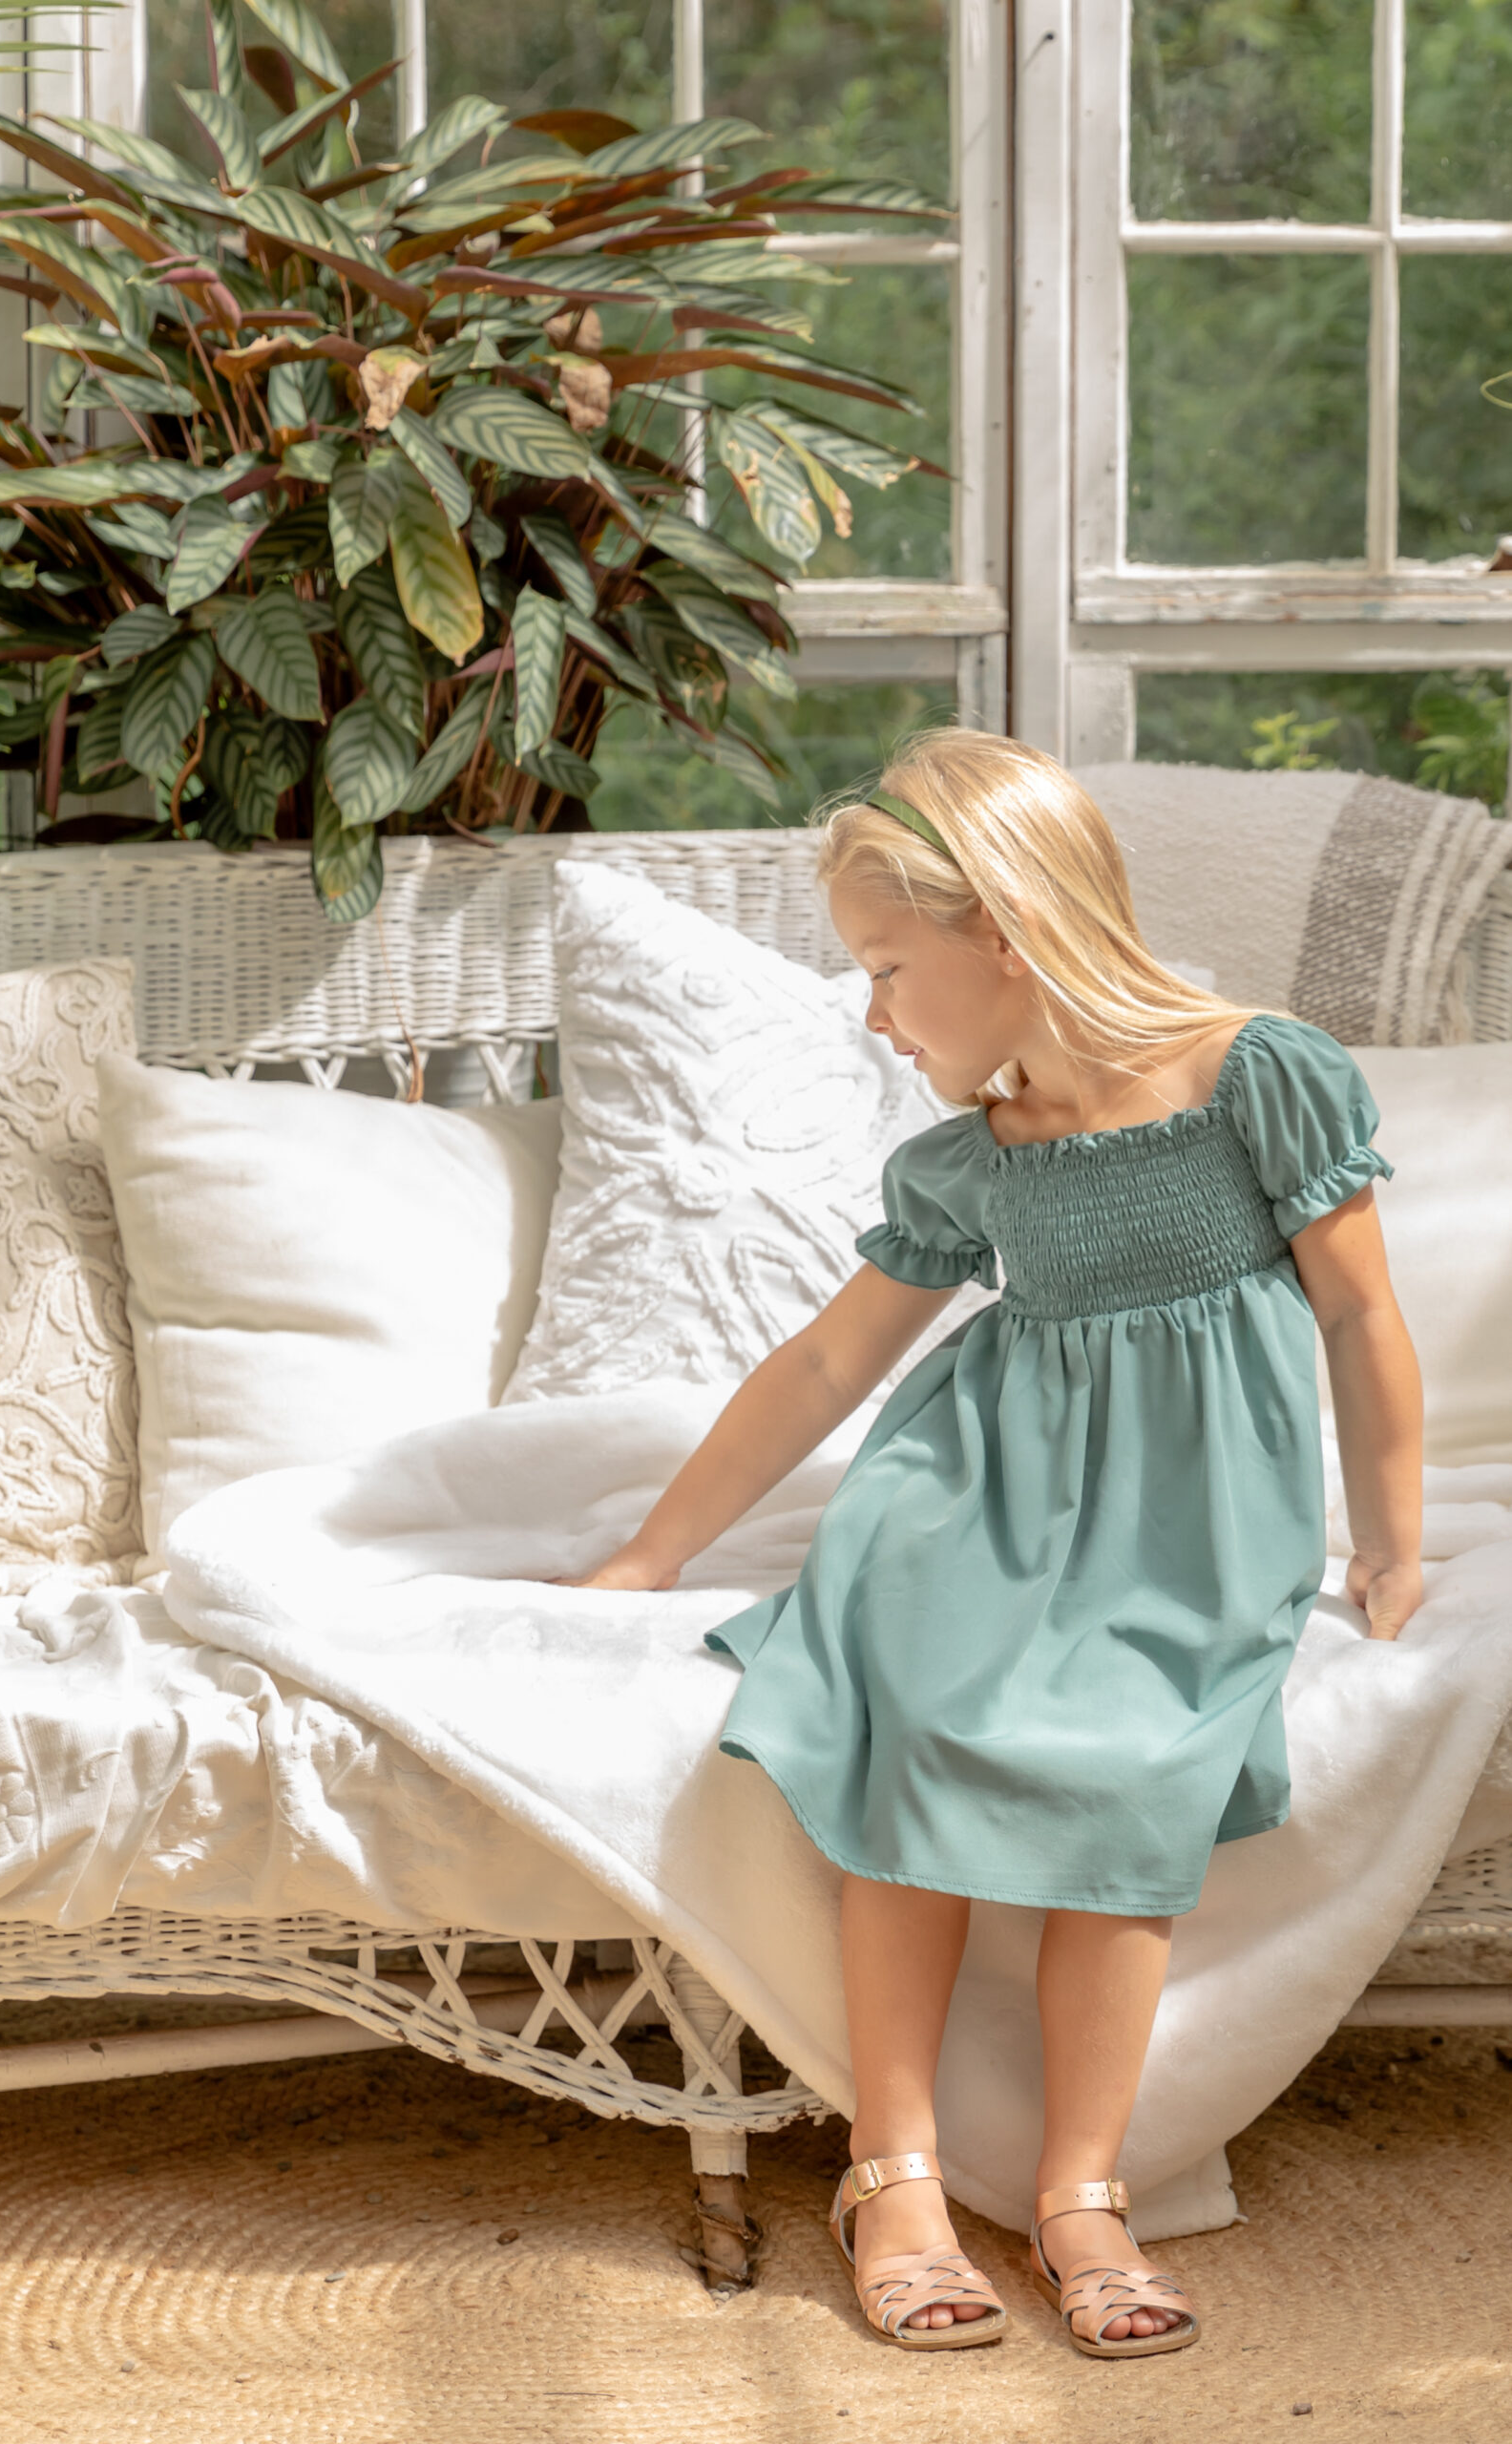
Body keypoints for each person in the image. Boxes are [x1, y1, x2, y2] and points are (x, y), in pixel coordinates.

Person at [575, 731, 1423, 2359]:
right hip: (977, 1490)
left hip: (1192, 1525)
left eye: (888, 968)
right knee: (914, 1709)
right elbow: (830, 1363)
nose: (873, 1015)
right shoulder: (971, 1161)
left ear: (1009, 932)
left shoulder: (1263, 1075)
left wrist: (1388, 1540)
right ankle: (887, 2171)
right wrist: (653, 1551)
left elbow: (1363, 1310)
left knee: (1126, 1763)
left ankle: (1079, 2193)